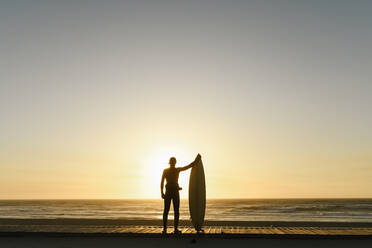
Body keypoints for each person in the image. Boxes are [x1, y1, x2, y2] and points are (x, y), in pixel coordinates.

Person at [160, 154, 201, 234]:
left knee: (169, 211)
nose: (172, 163)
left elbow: (188, 166)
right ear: (173, 163)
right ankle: (171, 229)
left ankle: (167, 230)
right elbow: (188, 166)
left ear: (172, 163)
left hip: (171, 192)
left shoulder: (168, 170)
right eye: (172, 162)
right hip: (173, 192)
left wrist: (162, 192)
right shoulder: (174, 170)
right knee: (172, 211)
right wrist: (196, 161)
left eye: (173, 162)